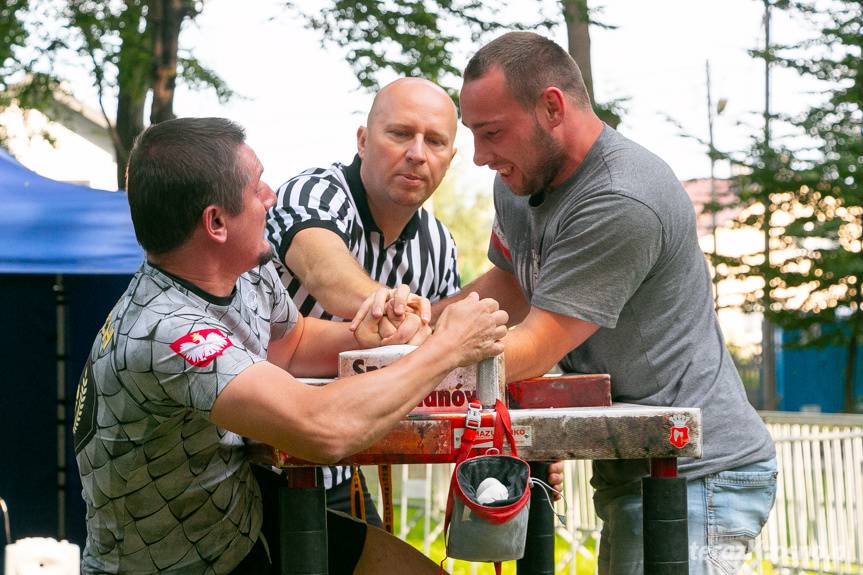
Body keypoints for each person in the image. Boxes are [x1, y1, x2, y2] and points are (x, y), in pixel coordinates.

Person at [72, 117, 508, 574]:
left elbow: (290, 343)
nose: (271, 197)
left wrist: (367, 336)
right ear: (216, 222)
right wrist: (448, 347)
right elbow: (322, 430)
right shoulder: (167, 330)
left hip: (247, 522)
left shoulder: (244, 268)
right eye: (256, 186)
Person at [442, 32, 778, 574]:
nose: (480, 157)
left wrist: (409, 365)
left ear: (551, 107)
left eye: (492, 133)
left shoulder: (622, 198)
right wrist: (417, 323)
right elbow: (511, 285)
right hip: (635, 469)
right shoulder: (520, 181)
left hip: (700, 471)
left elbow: (529, 348)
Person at [265, 77, 460, 523]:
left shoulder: (440, 245)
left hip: (339, 469)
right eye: (399, 134)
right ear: (362, 140)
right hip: (252, 461)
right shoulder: (314, 190)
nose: (416, 153)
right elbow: (324, 271)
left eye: (435, 141)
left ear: (449, 159)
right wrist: (397, 311)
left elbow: (445, 374)